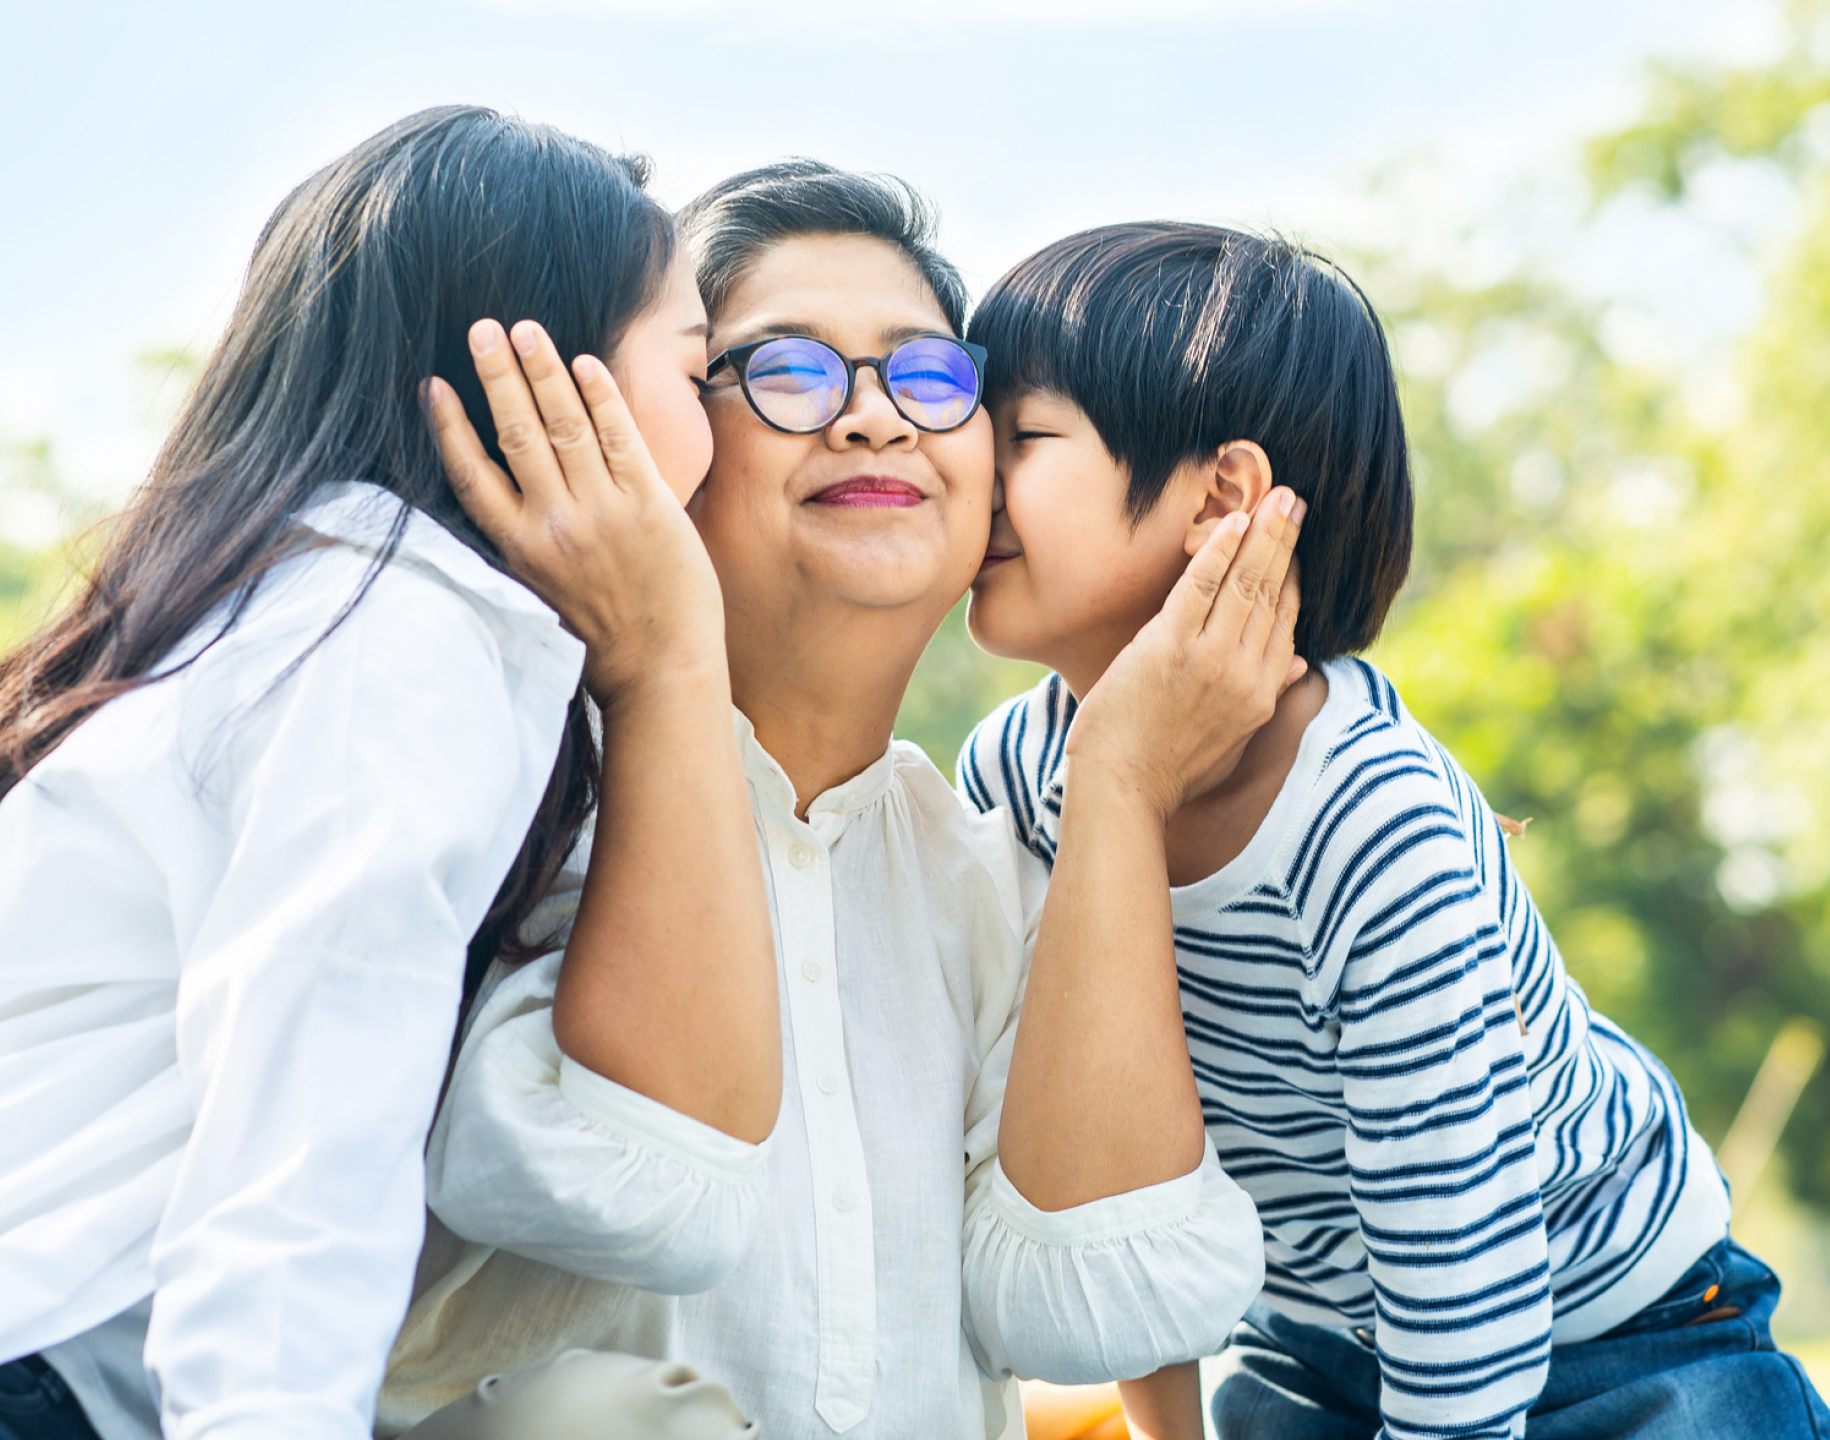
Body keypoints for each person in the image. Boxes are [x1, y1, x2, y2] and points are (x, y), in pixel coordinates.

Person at [0, 106, 778, 1440]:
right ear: (547, 381)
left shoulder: (293, 612)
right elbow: (305, 1133)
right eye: (698, 365)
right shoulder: (391, 639)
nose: (721, 422)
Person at [376, 164, 1294, 1440]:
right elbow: (625, 1186)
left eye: (928, 375)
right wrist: (665, 659)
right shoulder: (510, 792)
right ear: (656, 432)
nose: (873, 421)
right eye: (785, 371)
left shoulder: (994, 877)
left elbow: (1104, 1317)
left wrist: (1125, 788)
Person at [955, 222, 1830, 1440]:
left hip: (1616, 1337)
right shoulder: (1019, 778)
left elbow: (1465, 1278)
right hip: (1320, 1349)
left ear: (1220, 498)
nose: (964, 468)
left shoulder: (1368, 829)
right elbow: (1108, 1192)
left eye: (1021, 436)